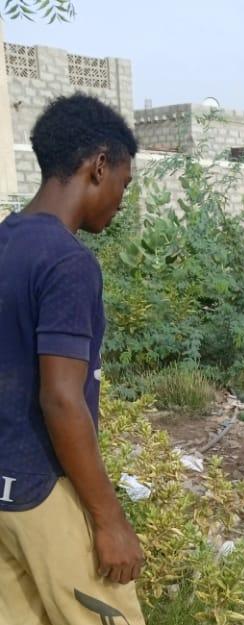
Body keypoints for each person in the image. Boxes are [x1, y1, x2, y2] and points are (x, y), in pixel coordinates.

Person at [0, 94, 145, 624]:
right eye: (123, 185)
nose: (121, 201)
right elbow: (61, 398)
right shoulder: (68, 262)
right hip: (44, 493)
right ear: (98, 166)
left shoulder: (6, 243)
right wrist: (109, 522)